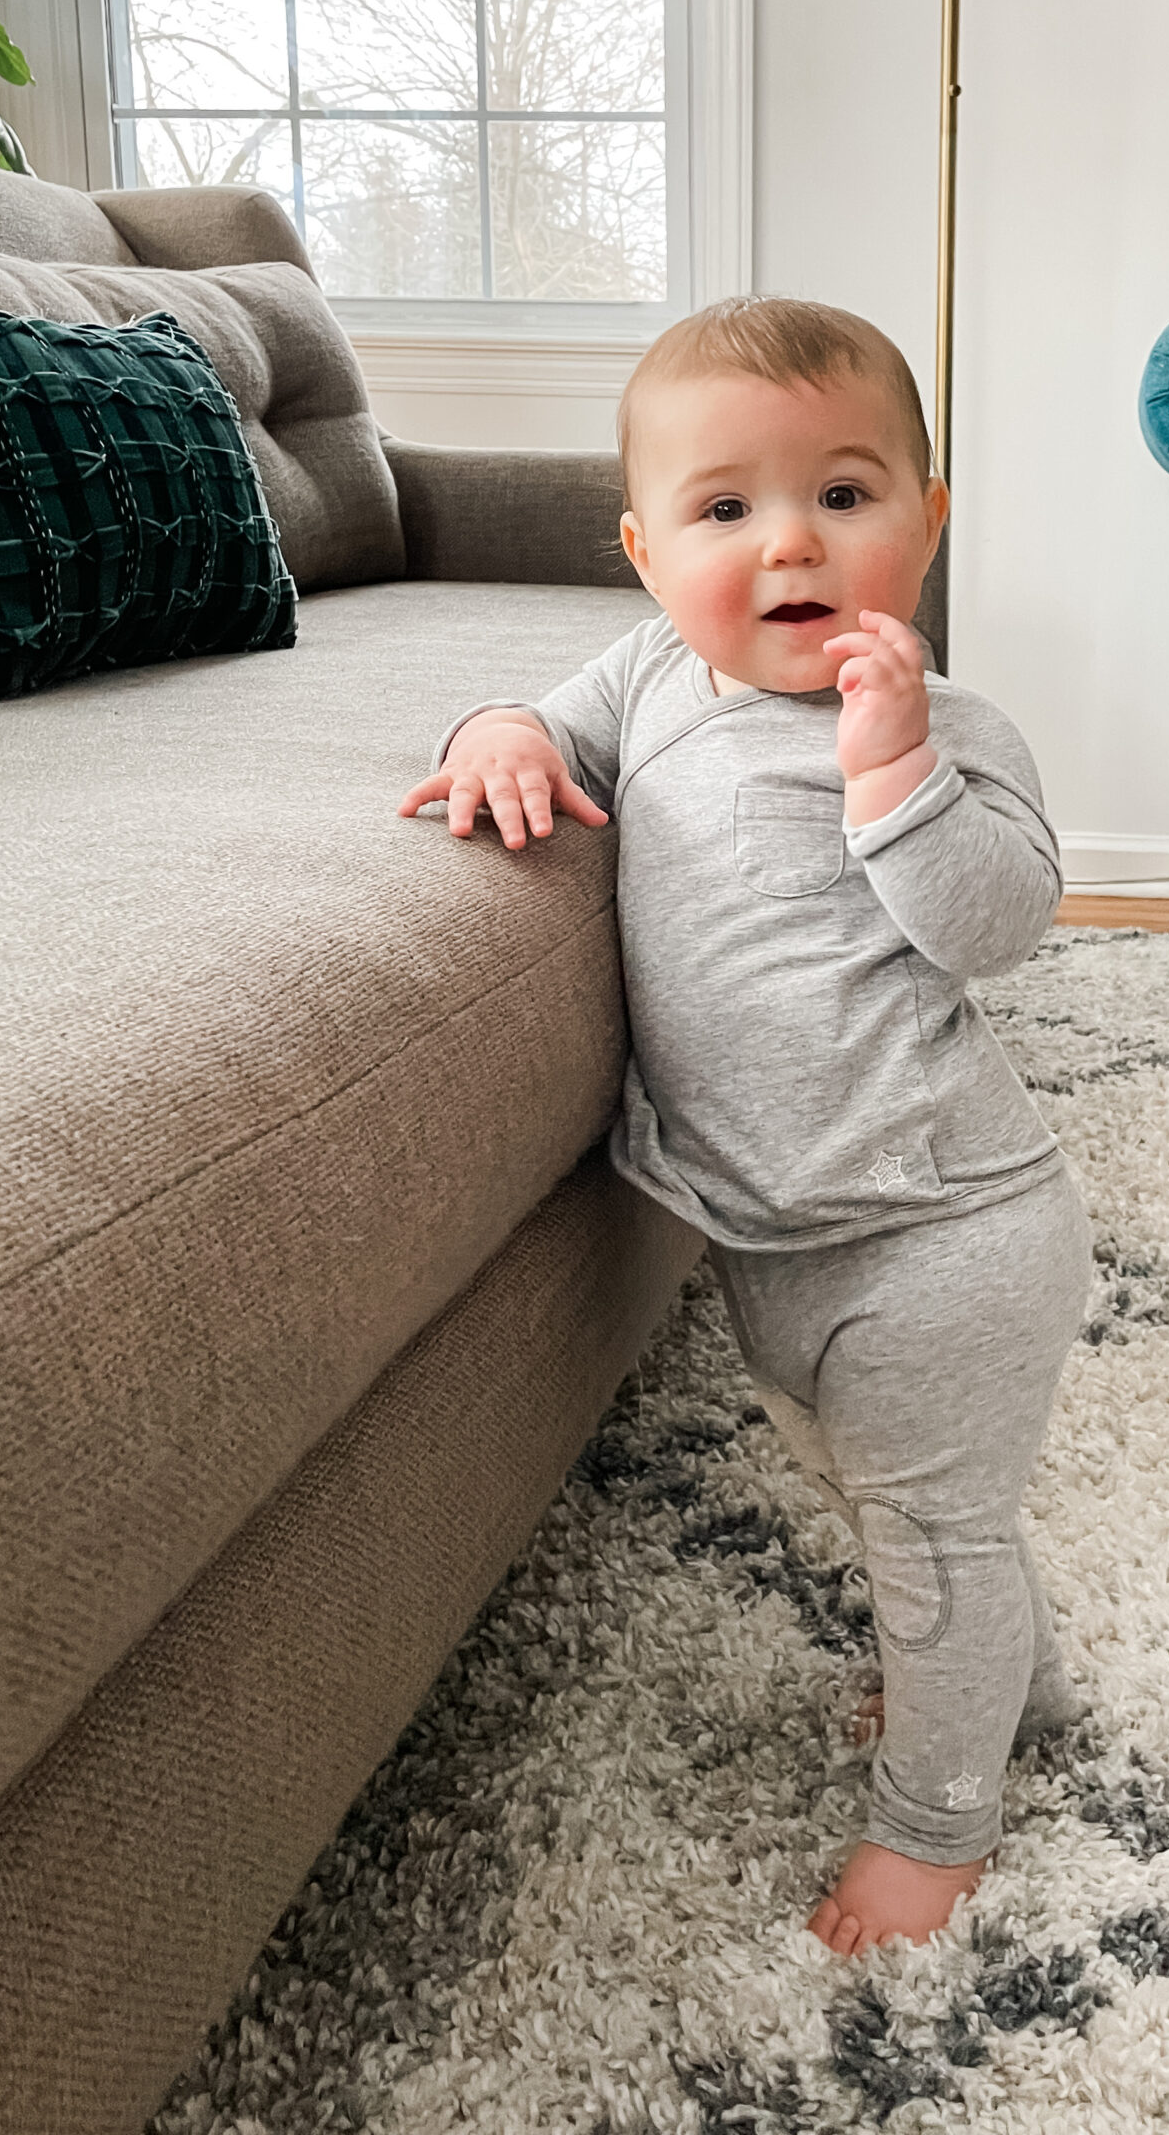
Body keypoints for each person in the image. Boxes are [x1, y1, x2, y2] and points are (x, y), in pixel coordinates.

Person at [400, 296, 1089, 1953]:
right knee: (900, 1516)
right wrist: (493, 732)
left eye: (846, 497)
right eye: (727, 510)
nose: (791, 542)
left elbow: (1001, 924)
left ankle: (942, 1824)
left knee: (928, 1533)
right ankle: (1015, 1690)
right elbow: (546, 728)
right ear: (646, 553)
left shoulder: (955, 733)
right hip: (770, 1237)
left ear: (925, 526)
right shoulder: (647, 673)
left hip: (947, 1227)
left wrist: (893, 775)